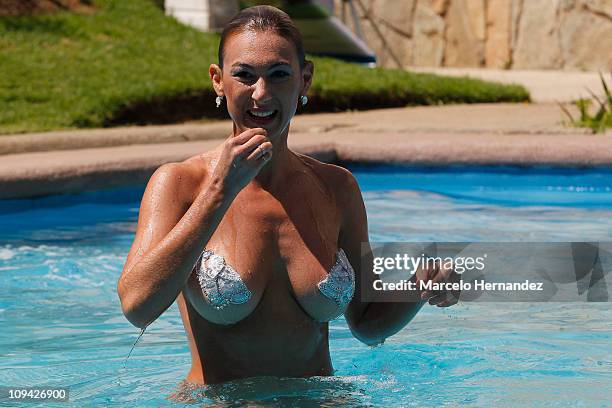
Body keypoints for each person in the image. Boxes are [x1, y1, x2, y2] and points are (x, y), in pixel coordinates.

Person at [117, 5, 458, 386]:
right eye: (244, 76)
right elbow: (136, 306)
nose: (260, 94)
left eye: (278, 75)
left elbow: (366, 323)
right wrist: (218, 193)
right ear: (218, 81)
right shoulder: (180, 184)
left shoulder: (336, 188)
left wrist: (419, 288)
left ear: (304, 79)